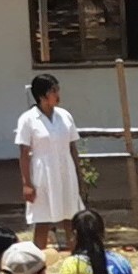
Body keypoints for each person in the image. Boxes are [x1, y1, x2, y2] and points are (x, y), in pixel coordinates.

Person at [16, 73, 83, 249]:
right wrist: (27, 184)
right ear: (42, 95)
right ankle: (37, 266)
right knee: (42, 219)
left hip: (65, 171)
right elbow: (24, 153)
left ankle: (76, 261)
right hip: (42, 174)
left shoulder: (65, 116)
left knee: (71, 217)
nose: (58, 94)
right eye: (54, 90)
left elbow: (72, 147)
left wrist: (78, 173)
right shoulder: (28, 119)